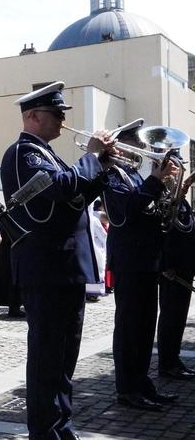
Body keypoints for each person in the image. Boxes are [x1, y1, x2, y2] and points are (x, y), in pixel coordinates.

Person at [0, 81, 114, 440]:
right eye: (56, 114)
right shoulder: (23, 153)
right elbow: (57, 189)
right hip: (47, 268)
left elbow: (76, 195)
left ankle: (61, 425)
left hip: (65, 269)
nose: (63, 121)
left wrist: (103, 168)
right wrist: (92, 158)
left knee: (65, 359)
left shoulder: (50, 153)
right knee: (48, 359)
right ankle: (45, 430)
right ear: (32, 116)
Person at [103, 119, 179, 411]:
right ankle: (127, 388)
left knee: (147, 327)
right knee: (130, 327)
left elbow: (151, 213)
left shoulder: (134, 176)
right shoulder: (114, 176)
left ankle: (142, 382)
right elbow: (126, 212)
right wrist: (155, 181)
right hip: (129, 262)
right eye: (138, 143)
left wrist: (168, 194)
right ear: (123, 145)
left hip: (147, 260)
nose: (144, 149)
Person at [158, 195, 195, 380]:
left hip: (185, 267)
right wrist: (166, 265)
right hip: (173, 270)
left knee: (179, 318)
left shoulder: (182, 202)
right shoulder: (167, 201)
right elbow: (163, 234)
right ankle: (167, 363)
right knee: (170, 318)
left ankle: (173, 359)